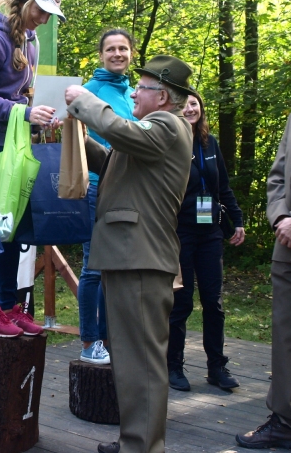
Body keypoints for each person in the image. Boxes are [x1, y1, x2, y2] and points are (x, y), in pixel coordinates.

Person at [65, 54, 194, 453]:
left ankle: (142, 447)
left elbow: (119, 131)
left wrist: (84, 99)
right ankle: (134, 440)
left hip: (140, 258)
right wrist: (79, 136)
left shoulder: (168, 125)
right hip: (128, 256)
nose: (134, 93)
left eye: (142, 88)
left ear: (163, 97)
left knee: (142, 361)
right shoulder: (150, 133)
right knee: (128, 357)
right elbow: (112, 162)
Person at [0, 0, 65, 337]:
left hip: (17, 145)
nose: (44, 19)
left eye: (50, 13)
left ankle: (9, 305)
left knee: (9, 229)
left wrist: (42, 115)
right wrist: (24, 113)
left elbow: (22, 96)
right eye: (41, 10)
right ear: (24, 2)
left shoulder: (31, 41)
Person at [235, 49, 291, 450]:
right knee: (286, 340)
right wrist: (281, 219)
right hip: (289, 250)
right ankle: (286, 422)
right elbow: (277, 176)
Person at [168, 92, 245, 392]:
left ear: (201, 108)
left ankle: (217, 367)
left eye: (194, 104)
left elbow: (222, 187)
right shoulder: (171, 142)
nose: (190, 109)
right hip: (181, 231)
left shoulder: (209, 143)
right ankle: (174, 366)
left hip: (210, 230)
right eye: (185, 104)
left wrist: (237, 220)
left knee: (213, 301)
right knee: (181, 301)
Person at [78, 28, 136, 365]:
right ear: (101, 55)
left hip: (128, 190)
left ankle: (111, 337)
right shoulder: (89, 91)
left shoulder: (132, 93)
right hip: (97, 187)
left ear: (131, 53)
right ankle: (90, 342)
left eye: (123, 49)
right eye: (110, 49)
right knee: (94, 268)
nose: (117, 54)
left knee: (118, 268)